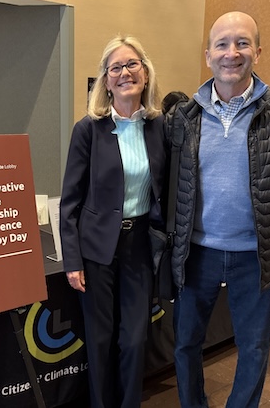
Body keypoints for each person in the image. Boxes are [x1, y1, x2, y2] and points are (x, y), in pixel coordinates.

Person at [167, 11, 270, 407]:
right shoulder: (183, 117)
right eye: (221, 44)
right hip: (196, 254)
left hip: (258, 256)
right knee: (185, 344)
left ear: (258, 51)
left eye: (242, 43)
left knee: (253, 347)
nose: (231, 53)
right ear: (208, 55)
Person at [60, 35, 166, 408]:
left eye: (132, 64)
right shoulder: (88, 129)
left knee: (134, 340)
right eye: (115, 68)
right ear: (106, 80)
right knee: (100, 339)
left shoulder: (159, 127)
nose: (125, 73)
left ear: (145, 73)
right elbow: (70, 201)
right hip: (95, 250)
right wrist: (72, 260)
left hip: (140, 246)